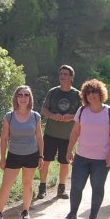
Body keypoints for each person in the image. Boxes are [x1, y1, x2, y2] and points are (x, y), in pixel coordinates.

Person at [61, 79, 110, 219]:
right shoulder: (81, 111)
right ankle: (72, 214)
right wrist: (69, 150)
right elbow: (75, 132)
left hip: (101, 160)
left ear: (101, 93)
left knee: (97, 188)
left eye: (94, 92)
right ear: (84, 95)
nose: (91, 95)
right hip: (81, 157)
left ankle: (93, 217)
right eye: (88, 93)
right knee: (76, 187)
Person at [0, 86, 43, 219]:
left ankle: (25, 211)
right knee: (6, 185)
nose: (23, 98)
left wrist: (41, 156)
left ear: (30, 98)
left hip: (31, 154)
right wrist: (2, 158)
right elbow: (4, 138)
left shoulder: (35, 116)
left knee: (27, 183)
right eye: (20, 95)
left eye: (26, 95)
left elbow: (39, 137)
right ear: (16, 98)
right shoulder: (9, 116)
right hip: (14, 155)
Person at [38, 65, 81, 200]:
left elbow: (82, 114)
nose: (62, 76)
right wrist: (52, 115)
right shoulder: (53, 92)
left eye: (65, 74)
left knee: (65, 162)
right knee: (45, 160)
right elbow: (44, 110)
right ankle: (42, 187)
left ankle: (61, 189)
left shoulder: (77, 95)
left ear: (71, 77)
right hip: (50, 133)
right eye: (61, 74)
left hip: (68, 135)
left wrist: (71, 117)